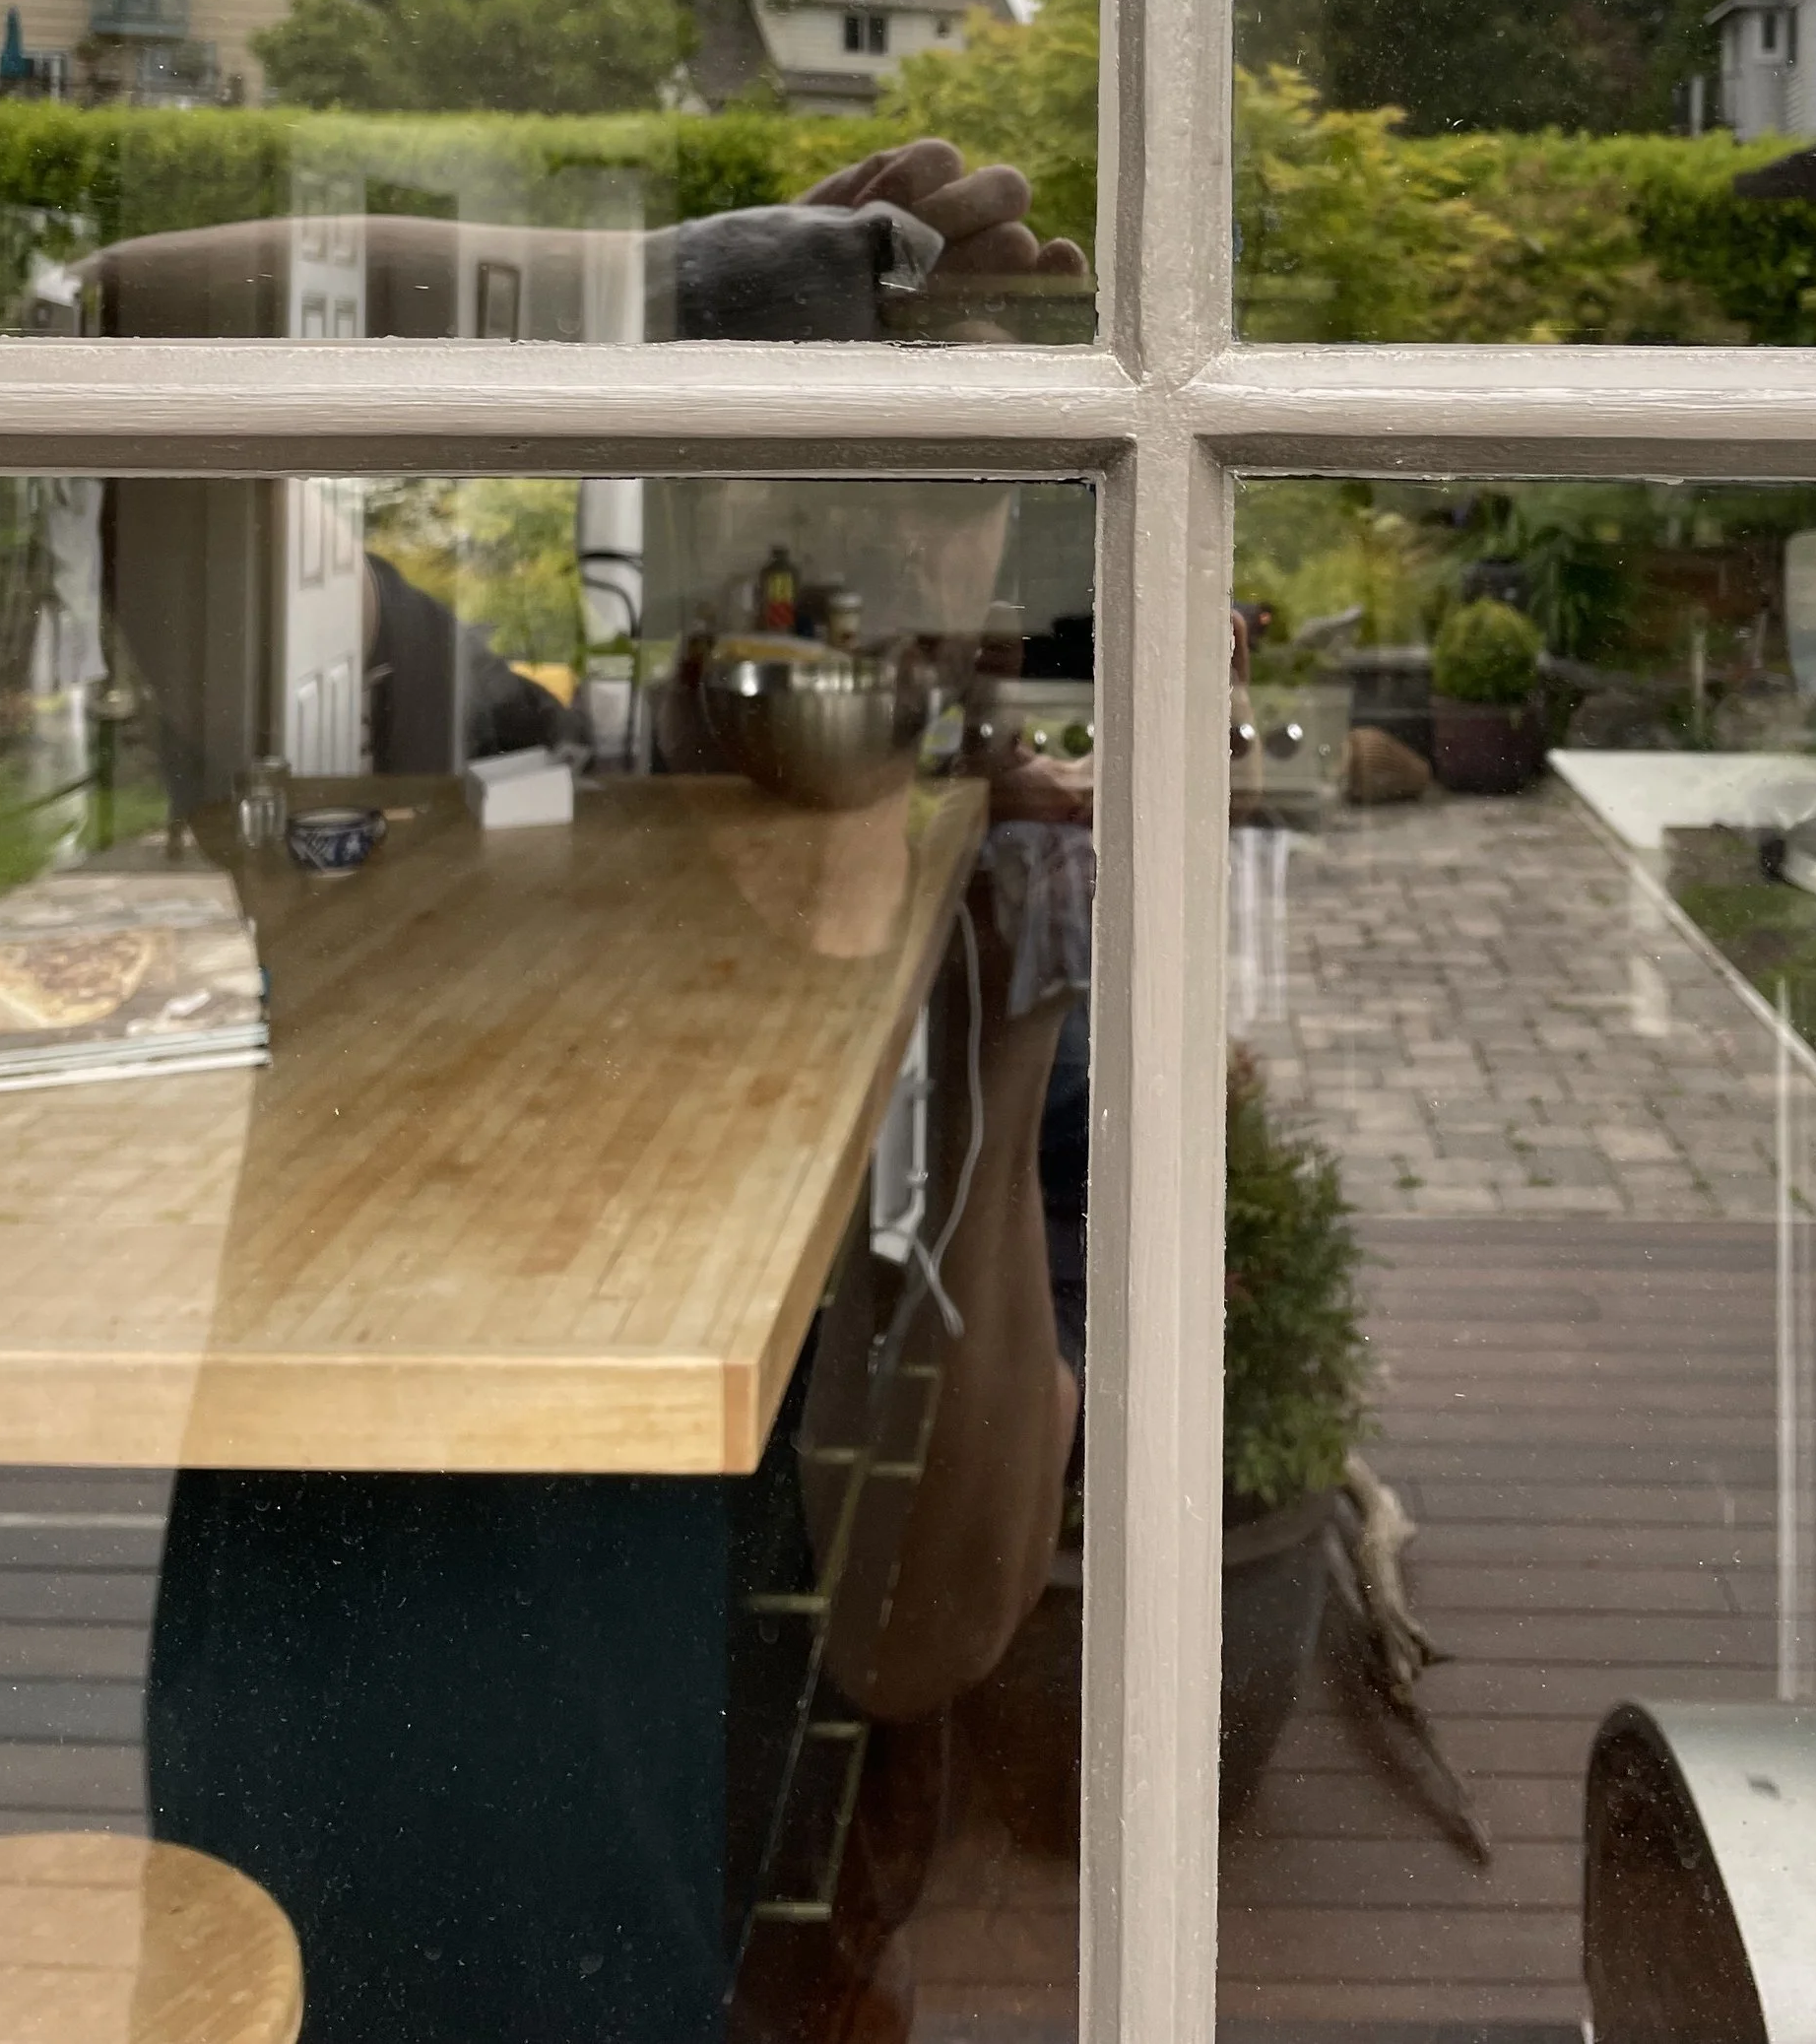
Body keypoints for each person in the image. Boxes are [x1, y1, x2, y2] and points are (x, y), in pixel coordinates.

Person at [125, 143, 1096, 2044]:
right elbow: (134, 332)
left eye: (948, 487)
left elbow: (926, 1630)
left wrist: (997, 999)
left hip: (729, 1959)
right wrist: (678, 288)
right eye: (801, 463)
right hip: (301, 1915)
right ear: (668, 490)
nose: (872, 547)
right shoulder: (458, 781)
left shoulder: (990, 938)